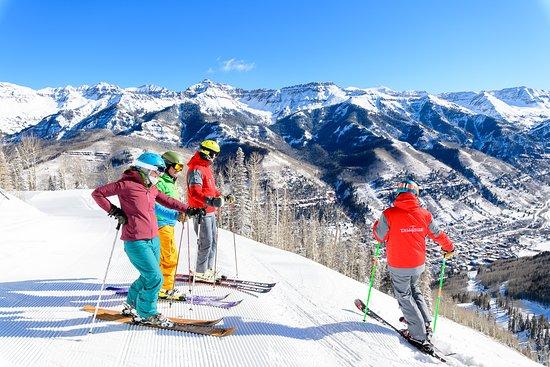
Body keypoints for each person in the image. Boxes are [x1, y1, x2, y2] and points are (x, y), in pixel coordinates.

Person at [92, 152, 195, 327]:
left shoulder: (151, 187)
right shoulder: (126, 184)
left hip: (153, 237)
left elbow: (167, 200)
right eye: (157, 172)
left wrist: (188, 209)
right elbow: (98, 194)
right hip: (136, 240)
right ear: (146, 169)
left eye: (161, 173)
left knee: (148, 276)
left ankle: (131, 305)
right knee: (155, 278)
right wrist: (115, 211)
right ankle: (147, 313)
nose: (159, 176)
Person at [372, 179, 454, 348]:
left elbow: (379, 236)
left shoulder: (389, 214)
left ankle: (418, 334)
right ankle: (424, 323)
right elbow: (438, 234)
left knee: (404, 296)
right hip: (417, 264)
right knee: (415, 290)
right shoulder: (425, 214)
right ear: (416, 195)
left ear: (399, 193)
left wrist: (376, 225)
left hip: (398, 264)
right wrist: (449, 247)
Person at [186, 140, 235, 282]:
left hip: (210, 211)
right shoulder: (196, 170)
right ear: (206, 153)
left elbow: (211, 190)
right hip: (201, 212)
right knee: (205, 242)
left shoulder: (205, 168)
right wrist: (210, 201)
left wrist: (222, 197)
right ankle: (200, 272)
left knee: (213, 241)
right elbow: (195, 193)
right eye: (214, 154)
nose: (215, 157)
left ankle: (208, 269)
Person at [154, 151, 187, 300]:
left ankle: (158, 285)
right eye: (176, 167)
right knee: (169, 257)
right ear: (166, 166)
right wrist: (175, 215)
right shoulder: (160, 183)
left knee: (164, 256)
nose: (179, 171)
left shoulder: (169, 183)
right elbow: (155, 206)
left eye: (181, 167)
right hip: (162, 224)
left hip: (169, 225)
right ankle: (164, 289)